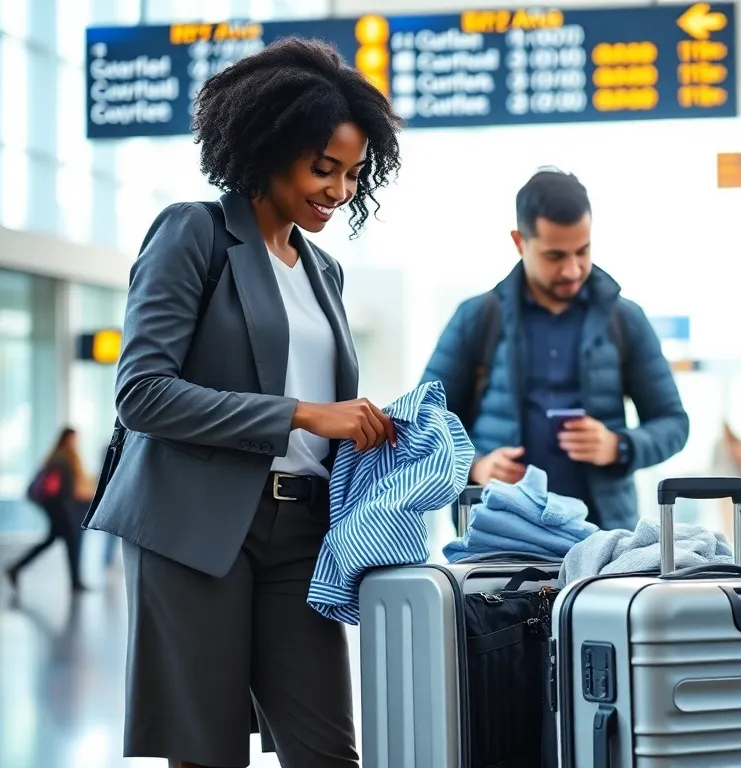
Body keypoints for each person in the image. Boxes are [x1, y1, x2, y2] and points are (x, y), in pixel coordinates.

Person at [82, 38, 404, 768]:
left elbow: (322, 401)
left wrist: (363, 429)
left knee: (326, 750)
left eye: (354, 174)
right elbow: (142, 393)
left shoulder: (325, 272)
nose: (340, 190)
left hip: (302, 532)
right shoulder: (193, 233)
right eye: (324, 168)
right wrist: (299, 413)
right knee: (207, 752)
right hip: (198, 529)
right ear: (269, 147)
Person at [421, 168, 690, 531]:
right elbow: (425, 423)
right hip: (499, 536)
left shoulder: (626, 320)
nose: (573, 269)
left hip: (603, 539)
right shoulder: (477, 318)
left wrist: (618, 446)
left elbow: (673, 423)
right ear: (519, 242)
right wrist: (476, 466)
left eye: (583, 250)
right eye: (555, 255)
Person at [6, 427, 94, 592]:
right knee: (72, 542)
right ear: (66, 440)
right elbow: (55, 489)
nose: (76, 443)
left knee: (55, 541)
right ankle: (75, 582)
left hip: (61, 510)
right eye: (74, 439)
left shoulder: (62, 458)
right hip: (62, 511)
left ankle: (16, 568)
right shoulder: (60, 460)